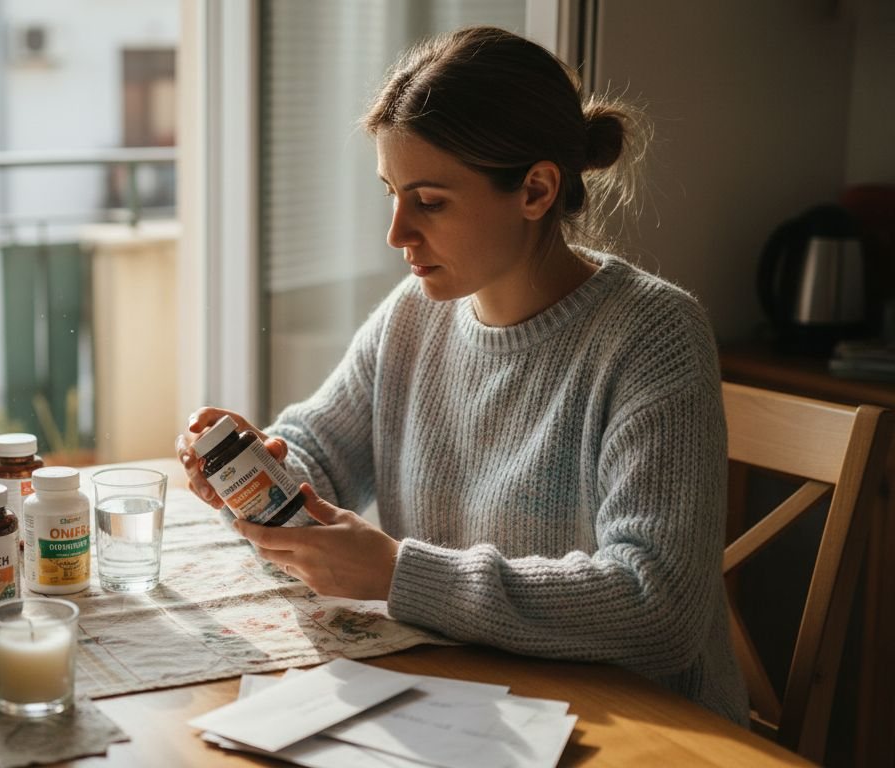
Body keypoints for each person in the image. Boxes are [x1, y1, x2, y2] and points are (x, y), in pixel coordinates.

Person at [175, 26, 749, 724]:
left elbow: (657, 605)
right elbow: (317, 459)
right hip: (465, 703)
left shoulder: (653, 336)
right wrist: (248, 472)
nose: (396, 233)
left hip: (640, 726)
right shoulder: (413, 316)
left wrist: (398, 574)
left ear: (535, 189)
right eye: (391, 193)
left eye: (430, 201)